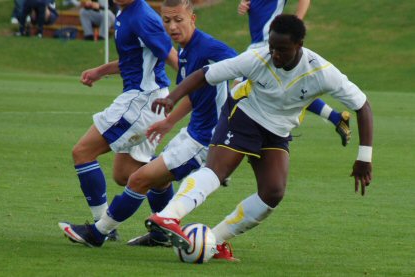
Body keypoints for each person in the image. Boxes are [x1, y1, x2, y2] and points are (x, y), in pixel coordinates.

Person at [145, 14, 373, 261]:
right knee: (217, 171)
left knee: (273, 193)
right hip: (243, 115)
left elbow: (363, 106)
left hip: (277, 132)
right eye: (272, 47)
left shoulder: (322, 72)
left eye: (282, 50)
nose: (274, 55)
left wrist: (364, 157)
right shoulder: (257, 59)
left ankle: (214, 241)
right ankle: (169, 215)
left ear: (299, 45)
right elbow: (205, 74)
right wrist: (172, 97)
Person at [58, 0, 237, 248]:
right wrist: (168, 121)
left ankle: (98, 232)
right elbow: (194, 91)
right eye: (167, 21)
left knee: (128, 175)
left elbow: (246, 69)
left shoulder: (205, 46)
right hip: (188, 130)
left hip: (183, 126)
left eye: (178, 20)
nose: (172, 27)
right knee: (133, 176)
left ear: (192, 19)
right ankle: (162, 232)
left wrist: (237, 125)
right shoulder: (186, 49)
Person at [58, 0, 178, 242]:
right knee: (126, 175)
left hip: (142, 100)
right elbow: (134, 59)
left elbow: (172, 56)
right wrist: (101, 70)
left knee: (83, 152)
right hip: (149, 100)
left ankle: (102, 227)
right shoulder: (126, 12)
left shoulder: (142, 16)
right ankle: (164, 228)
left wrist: (194, 89)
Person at [237, 0, 351, 147]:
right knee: (287, 89)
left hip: (271, 45)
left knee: (239, 88)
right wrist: (245, 5)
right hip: (259, 44)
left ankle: (228, 139)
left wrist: (295, 25)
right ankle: (336, 118)